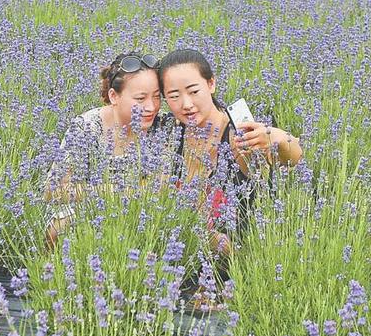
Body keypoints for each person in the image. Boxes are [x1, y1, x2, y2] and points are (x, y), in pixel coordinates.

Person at [158, 49, 303, 251]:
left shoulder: (239, 132)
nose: (187, 104)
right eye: (174, 96)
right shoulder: (169, 134)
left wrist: (277, 138)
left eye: (194, 91)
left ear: (211, 84)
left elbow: (292, 158)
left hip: (240, 258)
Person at [44, 52, 167, 244]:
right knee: (61, 225)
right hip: (87, 210)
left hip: (139, 213)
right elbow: (53, 190)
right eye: (141, 98)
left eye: (157, 97)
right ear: (113, 96)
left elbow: (160, 189)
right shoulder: (87, 127)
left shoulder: (162, 129)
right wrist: (110, 192)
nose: (151, 106)